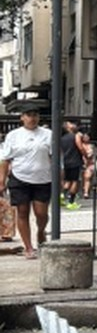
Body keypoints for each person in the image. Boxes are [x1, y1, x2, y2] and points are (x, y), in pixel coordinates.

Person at [0, 106, 55, 259]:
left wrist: (60, 177)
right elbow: (5, 159)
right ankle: (28, 247)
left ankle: (41, 231)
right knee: (22, 212)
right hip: (19, 177)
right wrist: (1, 181)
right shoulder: (13, 136)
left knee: (41, 214)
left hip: (43, 179)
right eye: (29, 115)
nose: (32, 118)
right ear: (22, 117)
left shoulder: (48, 134)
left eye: (35, 115)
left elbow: (55, 157)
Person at [60, 120, 85, 209]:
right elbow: (80, 147)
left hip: (66, 161)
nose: (73, 125)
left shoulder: (62, 138)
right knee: (75, 181)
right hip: (75, 161)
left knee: (67, 180)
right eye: (70, 124)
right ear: (68, 127)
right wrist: (85, 155)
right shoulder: (75, 136)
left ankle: (62, 196)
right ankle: (71, 201)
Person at [80, 132, 96, 200]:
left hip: (91, 164)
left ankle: (86, 192)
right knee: (83, 178)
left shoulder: (92, 146)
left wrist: (92, 154)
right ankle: (85, 190)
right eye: (84, 137)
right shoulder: (80, 145)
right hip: (82, 164)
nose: (86, 138)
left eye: (87, 137)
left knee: (87, 177)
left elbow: (96, 154)